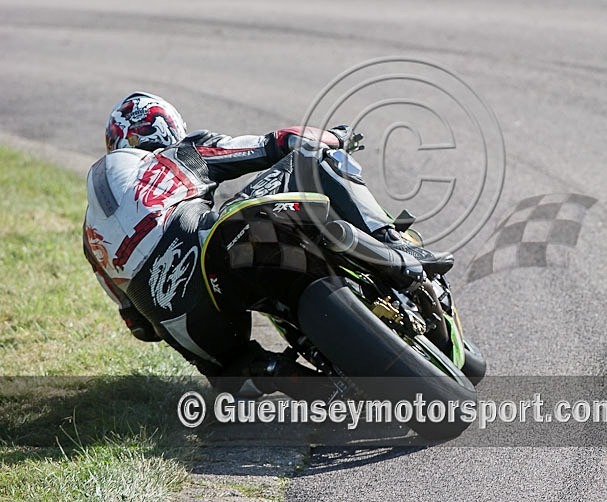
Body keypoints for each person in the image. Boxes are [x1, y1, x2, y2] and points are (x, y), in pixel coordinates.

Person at [83, 91, 451, 397]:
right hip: (212, 245)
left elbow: (139, 326)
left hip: (182, 318)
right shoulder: (179, 154)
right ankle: (394, 245)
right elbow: (277, 143)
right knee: (312, 157)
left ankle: (284, 374)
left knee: (229, 372)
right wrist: (336, 138)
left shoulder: (90, 236)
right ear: (169, 129)